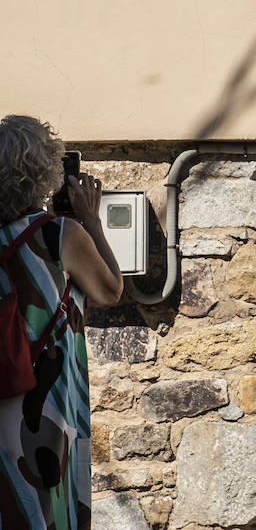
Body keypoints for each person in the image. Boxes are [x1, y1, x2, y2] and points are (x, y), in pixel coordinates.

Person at [0, 116, 124, 530]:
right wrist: (89, 218)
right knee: (45, 501)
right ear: (41, 172)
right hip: (43, 398)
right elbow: (108, 290)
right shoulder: (58, 234)